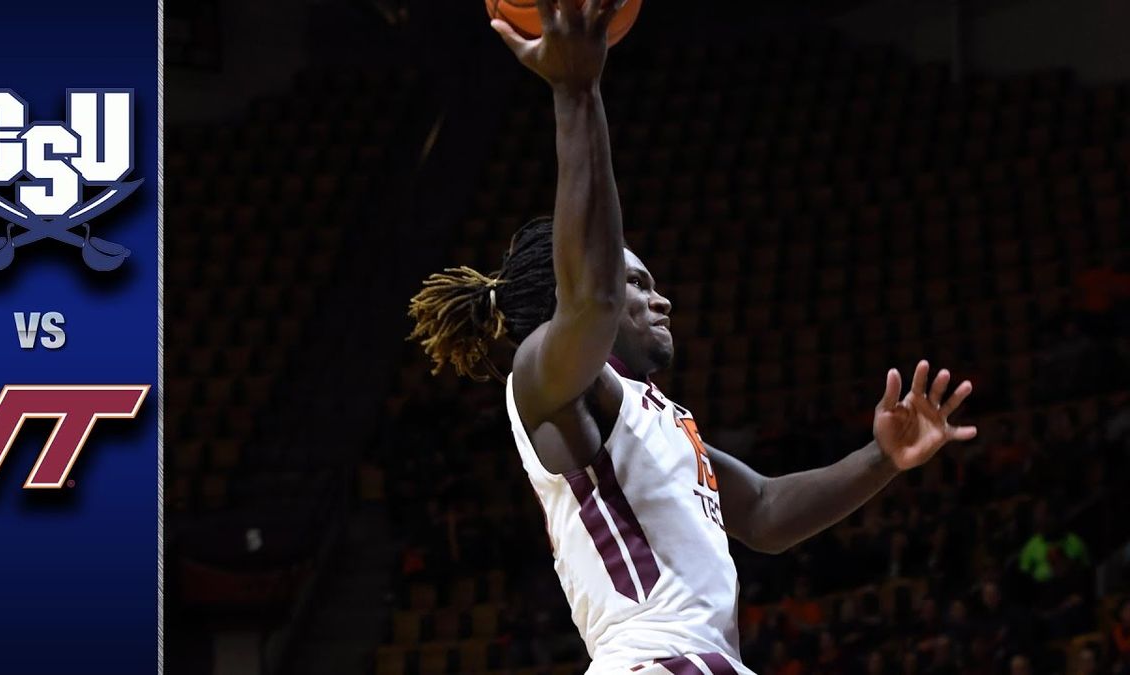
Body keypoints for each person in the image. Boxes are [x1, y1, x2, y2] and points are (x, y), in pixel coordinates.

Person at [407, 1, 978, 672]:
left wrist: (881, 459)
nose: (660, 297)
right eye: (637, 286)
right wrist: (576, 93)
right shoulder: (543, 379)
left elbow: (764, 512)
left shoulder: (659, 418)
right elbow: (591, 294)